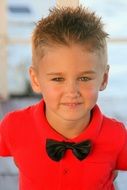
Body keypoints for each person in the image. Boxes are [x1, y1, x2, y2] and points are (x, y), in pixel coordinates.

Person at [0, 6, 127, 190]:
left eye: (84, 78)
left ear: (104, 79)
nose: (71, 91)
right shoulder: (14, 126)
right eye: (58, 79)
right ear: (36, 80)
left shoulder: (117, 136)